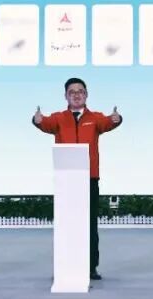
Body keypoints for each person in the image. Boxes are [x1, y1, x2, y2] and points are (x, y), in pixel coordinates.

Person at [33, 78, 122, 280]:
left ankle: (90, 267)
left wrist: (117, 119)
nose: (76, 95)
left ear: (86, 95)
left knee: (89, 224)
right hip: (65, 180)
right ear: (66, 96)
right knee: (66, 224)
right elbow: (44, 123)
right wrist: (37, 120)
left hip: (89, 178)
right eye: (71, 92)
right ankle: (66, 264)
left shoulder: (95, 118)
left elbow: (109, 122)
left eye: (80, 91)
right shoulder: (58, 118)